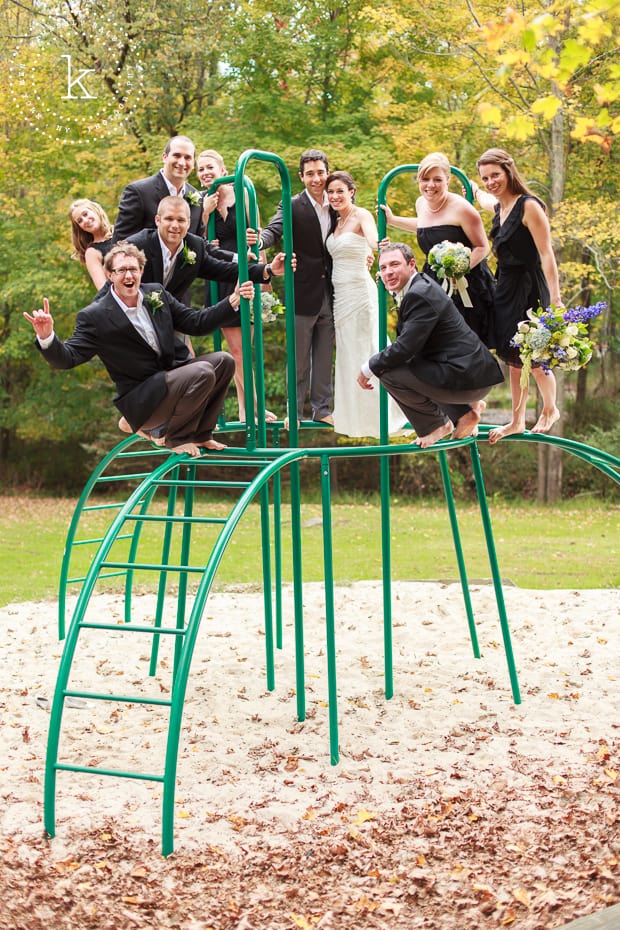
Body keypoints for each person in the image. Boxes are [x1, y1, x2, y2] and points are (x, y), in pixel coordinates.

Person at [25, 243, 256, 458]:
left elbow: (196, 322)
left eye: (133, 269)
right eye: (121, 270)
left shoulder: (156, 294)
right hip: (142, 400)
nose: (128, 276)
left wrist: (233, 300)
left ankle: (201, 434)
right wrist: (46, 337)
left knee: (225, 361)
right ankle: (176, 438)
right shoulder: (95, 316)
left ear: (142, 270)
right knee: (203, 372)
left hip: (172, 380)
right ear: (110, 275)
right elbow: (68, 358)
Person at [358, 244, 504, 448]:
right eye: (383, 268)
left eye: (394, 264)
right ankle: (465, 411)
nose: (388, 272)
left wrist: (368, 367)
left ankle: (437, 425)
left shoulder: (419, 294)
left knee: (389, 373)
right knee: (409, 366)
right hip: (469, 373)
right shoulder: (419, 285)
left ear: (411, 265)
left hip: (467, 378)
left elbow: (405, 348)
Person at [473, 148, 562, 443]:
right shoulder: (501, 206)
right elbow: (486, 200)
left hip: (529, 288)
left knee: (533, 358)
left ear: (509, 171)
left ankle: (550, 408)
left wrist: (556, 297)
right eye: (485, 177)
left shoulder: (529, 205)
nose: (490, 182)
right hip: (505, 288)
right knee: (513, 360)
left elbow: (547, 255)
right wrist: (473, 189)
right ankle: (517, 420)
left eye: (495, 175)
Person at [249, 148, 336, 425]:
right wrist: (259, 242)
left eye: (320, 172)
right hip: (302, 289)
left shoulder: (337, 200)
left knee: (324, 355)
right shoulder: (292, 203)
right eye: (310, 174)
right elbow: (274, 230)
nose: (316, 178)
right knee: (299, 356)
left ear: (327, 172)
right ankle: (294, 412)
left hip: (333, 290)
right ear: (301, 176)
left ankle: (323, 409)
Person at [380, 152, 495, 345]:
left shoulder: (463, 209)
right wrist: (392, 220)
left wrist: (459, 270)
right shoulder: (420, 203)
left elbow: (483, 247)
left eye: (437, 180)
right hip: (432, 281)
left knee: (462, 344)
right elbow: (426, 225)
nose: (430, 185)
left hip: (465, 284)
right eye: (425, 179)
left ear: (448, 181)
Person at [325, 171, 407, 438]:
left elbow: (372, 240)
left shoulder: (361, 215)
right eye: (331, 192)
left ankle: (389, 412)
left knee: (369, 347)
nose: (335, 196)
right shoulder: (334, 221)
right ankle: (355, 418)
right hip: (340, 296)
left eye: (340, 191)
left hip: (360, 293)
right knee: (348, 353)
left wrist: (379, 245)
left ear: (352, 191)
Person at [197, 150, 277, 422]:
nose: (205, 173)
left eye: (210, 167)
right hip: (220, 276)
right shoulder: (199, 201)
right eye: (200, 169)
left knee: (246, 348)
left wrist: (264, 278)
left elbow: (256, 235)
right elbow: (193, 242)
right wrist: (205, 215)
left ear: (222, 169)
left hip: (245, 270)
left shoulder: (242, 191)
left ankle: (245, 409)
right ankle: (254, 407)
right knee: (237, 351)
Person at [113, 136, 204, 242]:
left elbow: (199, 244)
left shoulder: (197, 197)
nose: (182, 162)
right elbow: (121, 242)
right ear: (164, 157)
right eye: (176, 155)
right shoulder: (138, 192)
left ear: (193, 163)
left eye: (187, 158)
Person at [69, 199, 114, 289]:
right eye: (80, 221)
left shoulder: (121, 231)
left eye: (85, 214)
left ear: (95, 210)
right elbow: (104, 290)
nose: (85, 220)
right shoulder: (92, 253)